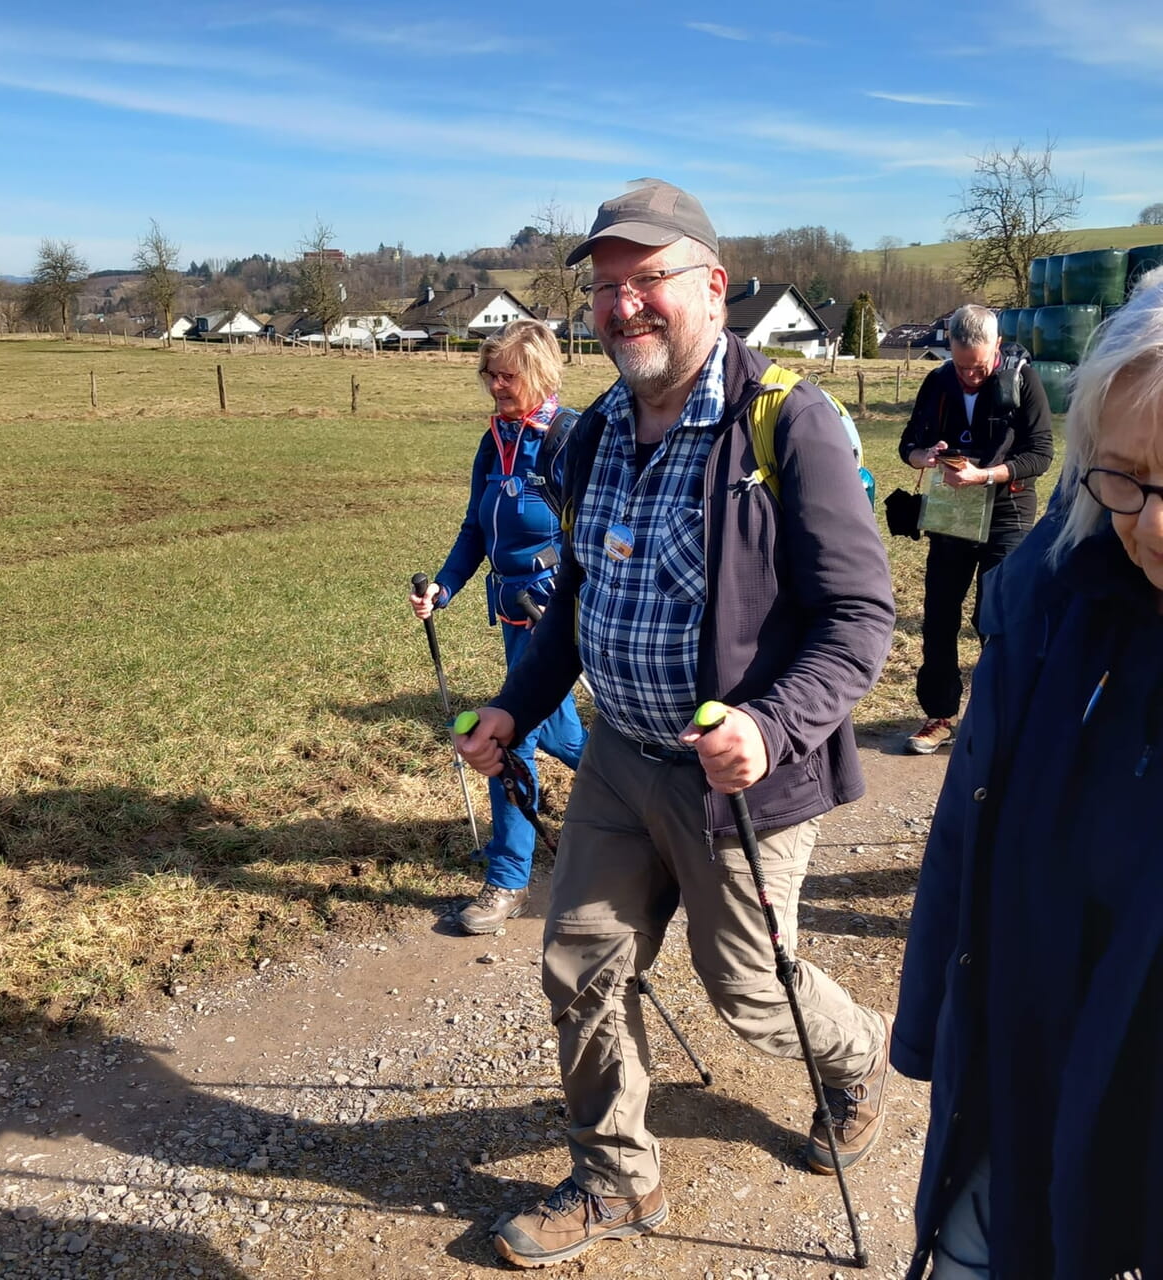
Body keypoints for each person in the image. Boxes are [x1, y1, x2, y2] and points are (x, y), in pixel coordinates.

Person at [454, 180, 896, 1268]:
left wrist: (771, 724)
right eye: (605, 288)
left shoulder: (785, 419)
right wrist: (517, 704)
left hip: (742, 780)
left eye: (646, 279)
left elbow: (859, 616)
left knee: (748, 987)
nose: (622, 306)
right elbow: (577, 602)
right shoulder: (594, 430)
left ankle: (857, 1061)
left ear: (710, 283)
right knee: (580, 961)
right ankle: (617, 1175)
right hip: (617, 757)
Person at [892, 268, 1163, 1279]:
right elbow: (970, 828)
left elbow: (1034, 456)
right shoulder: (1054, 612)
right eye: (1126, 477)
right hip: (1022, 1082)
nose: (1153, 527)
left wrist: (995, 478)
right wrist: (927, 1029)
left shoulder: (1024, 393)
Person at [409, 319, 587, 935]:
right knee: (561, 736)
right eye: (488, 374)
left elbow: (596, 535)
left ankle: (508, 879)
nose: (494, 385)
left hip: (558, 616)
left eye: (506, 375)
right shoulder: (494, 440)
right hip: (512, 612)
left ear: (538, 372)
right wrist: (445, 585)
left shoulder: (571, 438)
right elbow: (475, 529)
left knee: (515, 739)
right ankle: (642, 807)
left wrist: (570, 600)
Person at [898, 305, 1053, 754]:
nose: (969, 376)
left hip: (1008, 512)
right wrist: (923, 456)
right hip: (952, 515)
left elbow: (1041, 453)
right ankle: (939, 715)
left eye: (979, 366)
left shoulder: (1024, 380)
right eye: (961, 365)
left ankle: (1003, 713)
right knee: (940, 615)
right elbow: (909, 442)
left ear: (998, 347)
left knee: (997, 616)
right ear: (950, 349)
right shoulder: (937, 382)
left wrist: (987, 474)